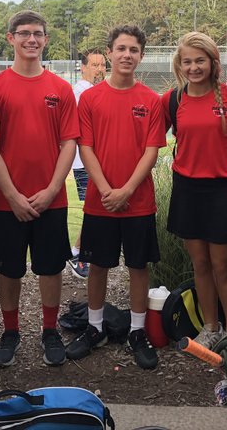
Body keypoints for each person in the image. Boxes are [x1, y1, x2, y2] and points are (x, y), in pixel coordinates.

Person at [65, 24, 166, 370]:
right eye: (120, 48)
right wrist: (108, 190)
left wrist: (126, 190)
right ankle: (94, 328)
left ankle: (138, 331)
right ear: (108, 53)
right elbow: (86, 148)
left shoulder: (151, 100)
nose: (126, 55)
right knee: (98, 266)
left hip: (138, 202)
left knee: (138, 267)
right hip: (100, 201)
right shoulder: (90, 98)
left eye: (133, 50)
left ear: (141, 55)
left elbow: (151, 151)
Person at [0, 10, 79, 367]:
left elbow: (69, 142)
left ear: (45, 39)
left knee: (50, 268)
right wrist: (11, 194)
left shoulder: (60, 88)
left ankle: (50, 330)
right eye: (24, 33)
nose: (31, 40)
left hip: (50, 199)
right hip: (8, 200)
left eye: (38, 33)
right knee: (9, 269)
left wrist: (53, 188)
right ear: (11, 38)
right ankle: (10, 331)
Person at [162, 32, 227, 349]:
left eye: (200, 60)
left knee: (223, 265)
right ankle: (209, 327)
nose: (194, 67)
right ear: (180, 65)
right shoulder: (173, 100)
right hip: (187, 190)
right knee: (200, 265)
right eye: (188, 61)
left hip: (223, 191)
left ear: (213, 62)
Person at [68, 49, 107, 279]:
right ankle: (78, 253)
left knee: (95, 208)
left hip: (91, 159)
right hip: (83, 160)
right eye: (94, 65)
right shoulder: (81, 91)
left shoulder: (94, 91)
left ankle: (78, 252)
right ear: (82, 67)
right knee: (94, 209)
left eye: (102, 65)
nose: (99, 69)